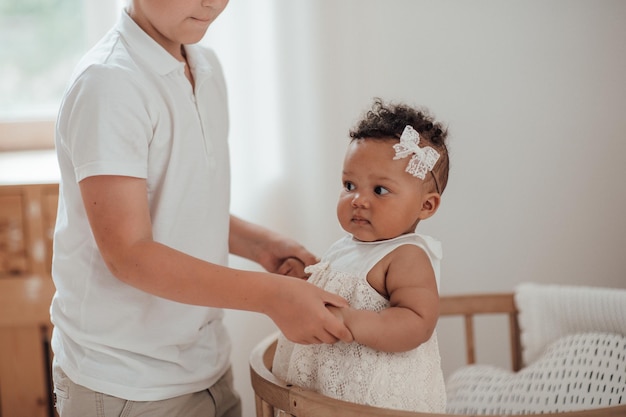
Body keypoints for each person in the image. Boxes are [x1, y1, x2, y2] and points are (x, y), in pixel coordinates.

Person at [49, 1, 352, 416]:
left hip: (205, 367)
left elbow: (179, 204)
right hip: (128, 383)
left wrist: (261, 245)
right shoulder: (109, 83)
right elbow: (128, 254)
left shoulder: (204, 67)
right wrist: (273, 297)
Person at [272, 98, 450, 413]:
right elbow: (333, 296)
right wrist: (302, 280)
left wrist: (354, 322)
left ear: (426, 205)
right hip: (332, 392)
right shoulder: (346, 246)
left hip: (376, 401)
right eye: (350, 185)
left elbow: (417, 322)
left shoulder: (406, 256)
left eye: (380, 190)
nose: (358, 200)